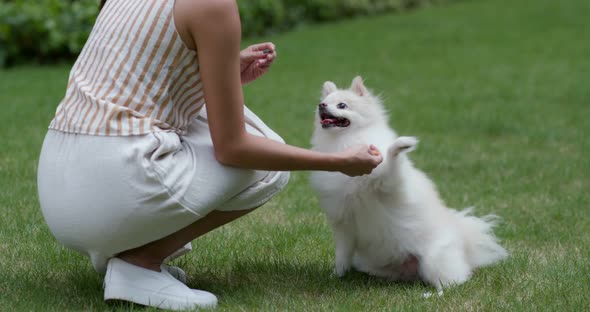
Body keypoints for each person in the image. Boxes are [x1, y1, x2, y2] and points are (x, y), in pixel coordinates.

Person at [37, 0, 383, 310]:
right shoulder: (214, 5)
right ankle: (139, 262)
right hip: (107, 185)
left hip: (57, 181)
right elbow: (234, 148)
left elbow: (137, 77)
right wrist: (339, 162)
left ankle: (124, 247)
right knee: (266, 161)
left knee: (226, 127)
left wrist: (224, 67)